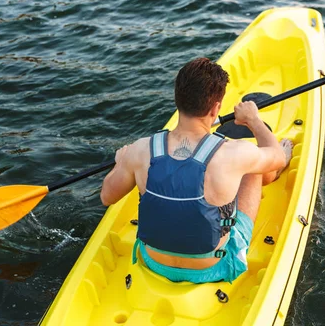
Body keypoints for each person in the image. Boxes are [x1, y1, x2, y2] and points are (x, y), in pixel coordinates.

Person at [100, 57, 293, 283]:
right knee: (255, 168)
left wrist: (120, 161)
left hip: (152, 260)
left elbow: (106, 197)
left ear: (177, 100)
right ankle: (269, 176)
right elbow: (278, 157)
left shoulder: (140, 150)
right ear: (216, 108)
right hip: (215, 265)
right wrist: (253, 120)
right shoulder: (234, 153)